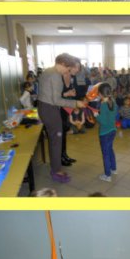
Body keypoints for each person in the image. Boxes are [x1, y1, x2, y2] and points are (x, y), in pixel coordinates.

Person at [36, 53, 86, 183]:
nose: (67, 71)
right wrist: (76, 103)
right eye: (68, 69)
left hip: (43, 107)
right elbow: (56, 100)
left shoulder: (48, 71)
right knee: (56, 141)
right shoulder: (56, 75)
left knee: (54, 140)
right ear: (63, 64)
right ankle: (56, 171)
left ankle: (55, 167)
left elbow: (50, 95)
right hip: (50, 110)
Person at [95, 83, 118, 183]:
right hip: (113, 130)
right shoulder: (113, 101)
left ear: (100, 94)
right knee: (110, 150)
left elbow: (103, 122)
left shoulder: (103, 105)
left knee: (106, 154)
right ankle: (114, 169)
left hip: (104, 133)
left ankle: (107, 175)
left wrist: (96, 115)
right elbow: (113, 115)